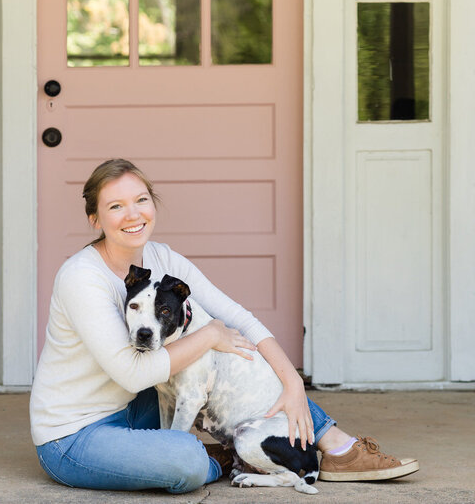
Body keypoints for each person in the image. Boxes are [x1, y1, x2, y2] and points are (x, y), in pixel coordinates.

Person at [30, 159, 419, 493]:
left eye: (141, 200)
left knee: (243, 373)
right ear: (94, 218)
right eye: (116, 206)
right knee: (184, 461)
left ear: (153, 204)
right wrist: (210, 335)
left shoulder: (161, 257)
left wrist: (293, 381)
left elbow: (237, 318)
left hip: (136, 408)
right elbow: (133, 373)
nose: (133, 215)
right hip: (76, 435)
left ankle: (333, 443)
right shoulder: (83, 277)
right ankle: (225, 458)